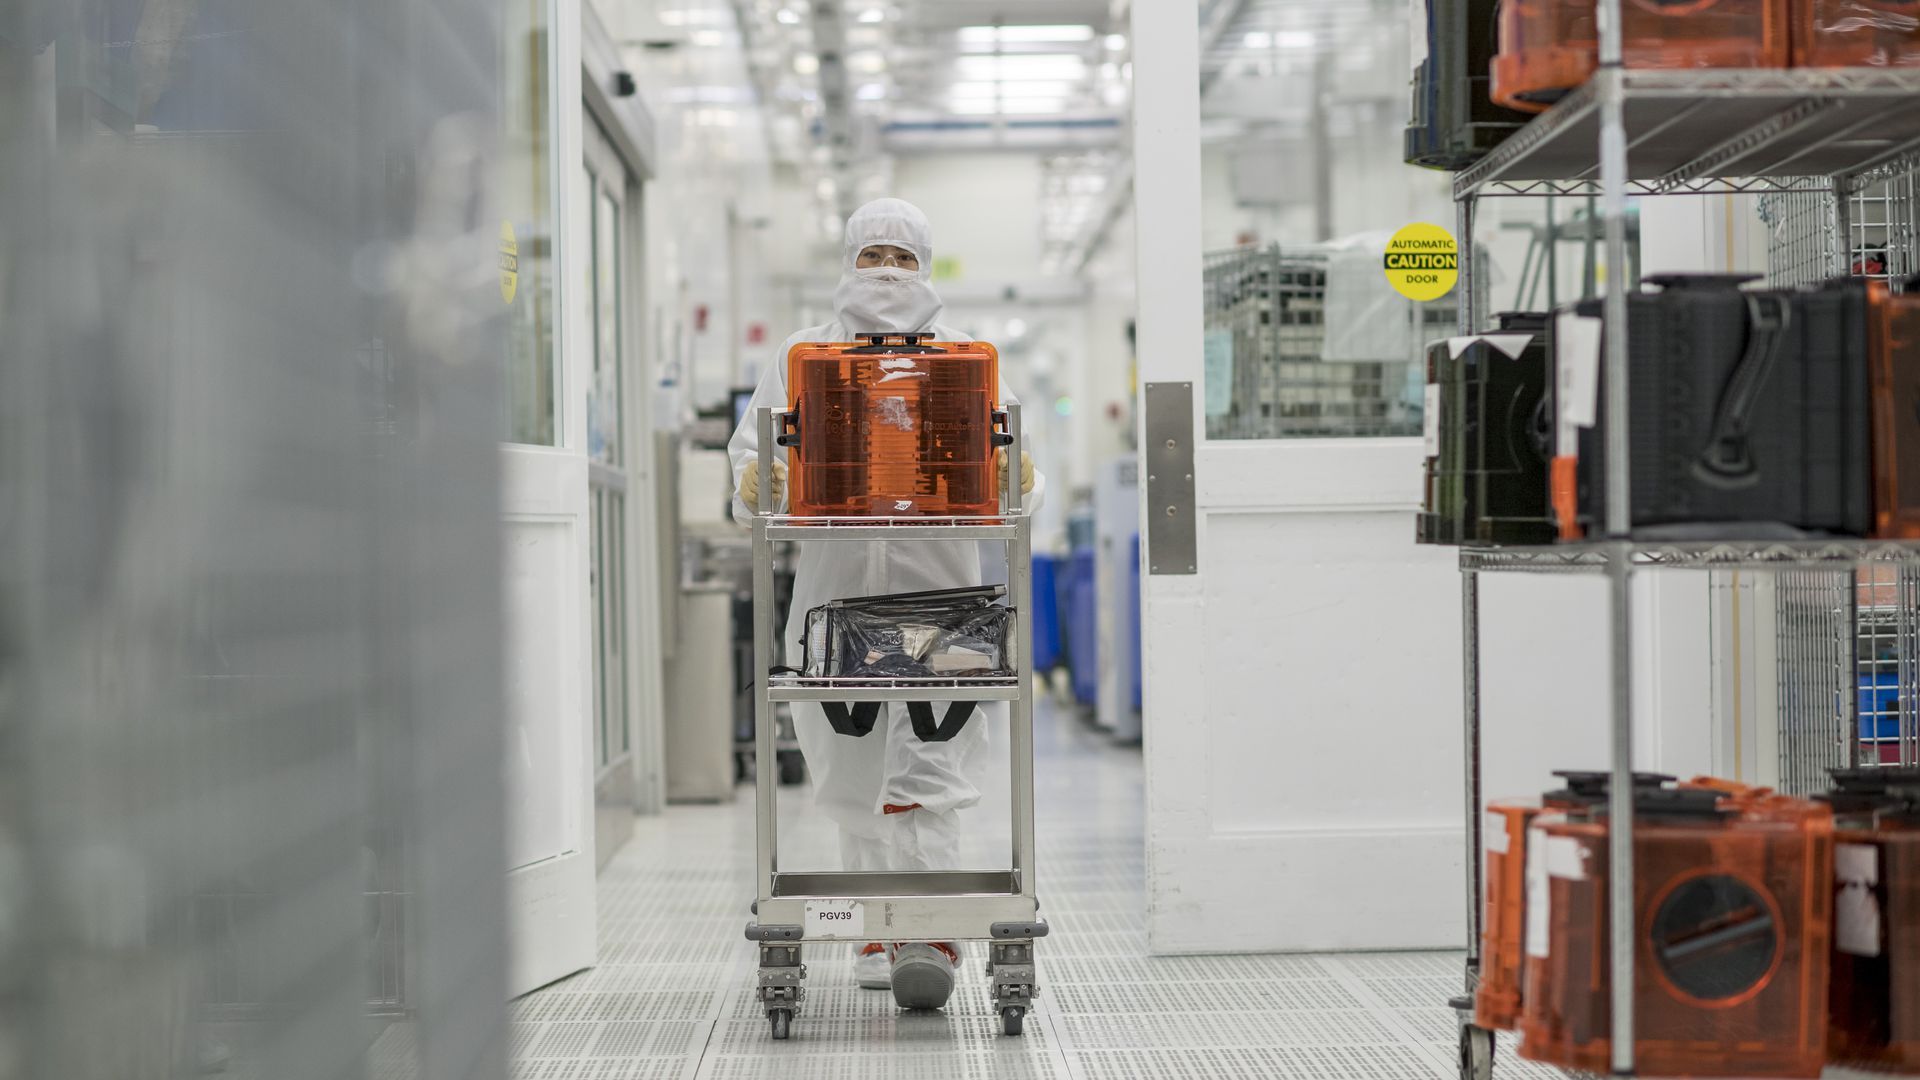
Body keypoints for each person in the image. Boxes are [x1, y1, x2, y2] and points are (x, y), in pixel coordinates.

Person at [728, 197, 1042, 1011]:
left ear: (927, 265)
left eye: (902, 257)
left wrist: (1021, 474)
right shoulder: (804, 355)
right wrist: (755, 481)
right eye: (872, 255)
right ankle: (875, 921)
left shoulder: (966, 358)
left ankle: (929, 926)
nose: (887, 271)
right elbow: (752, 454)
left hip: (945, 593)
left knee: (933, 751)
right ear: (846, 260)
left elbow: (1015, 461)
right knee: (852, 753)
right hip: (838, 596)